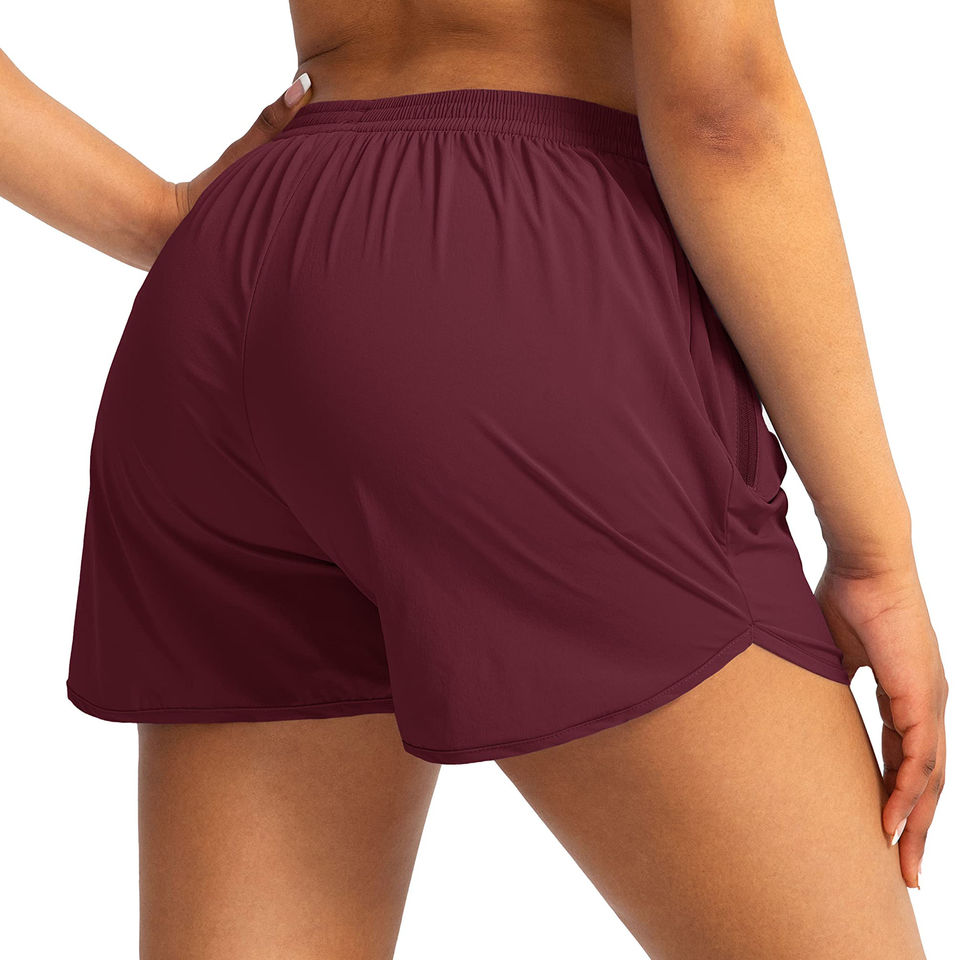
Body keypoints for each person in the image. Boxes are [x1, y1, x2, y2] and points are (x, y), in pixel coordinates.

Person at [1, 1, 947, 957]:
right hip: (521, 273)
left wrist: (163, 219)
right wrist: (875, 557)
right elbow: (724, 110)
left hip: (230, 284)